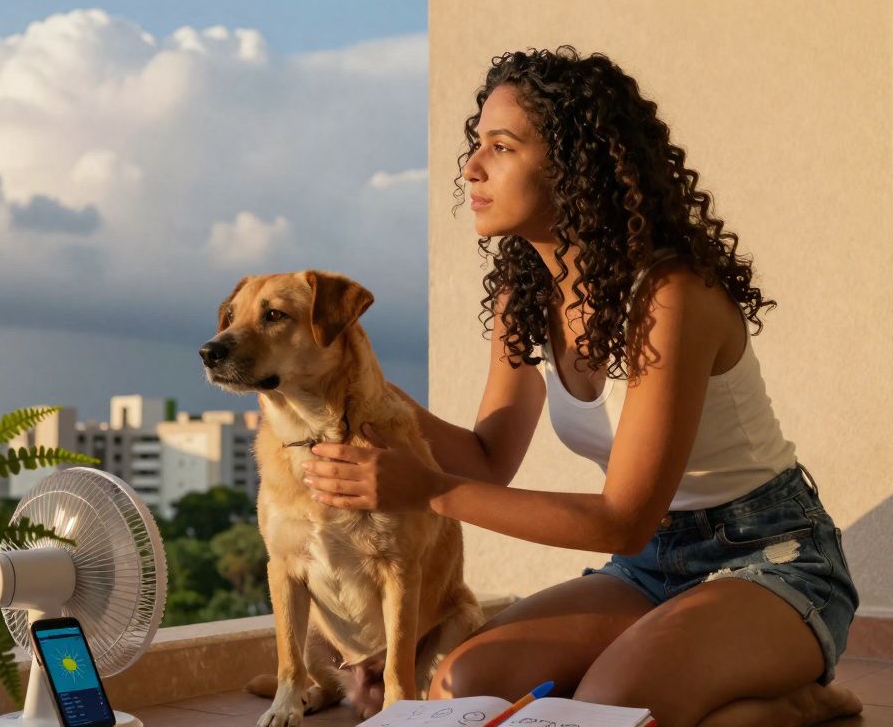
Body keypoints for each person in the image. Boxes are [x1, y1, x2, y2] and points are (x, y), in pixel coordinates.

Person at [299, 47, 863, 726]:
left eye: (502, 147)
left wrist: (427, 490)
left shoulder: (670, 298)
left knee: (614, 710)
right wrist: (369, 393)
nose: (471, 168)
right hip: (649, 566)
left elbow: (623, 519)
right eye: (477, 144)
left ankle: (798, 702)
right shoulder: (526, 299)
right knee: (462, 684)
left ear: (575, 165)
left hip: (769, 555)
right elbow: (487, 460)